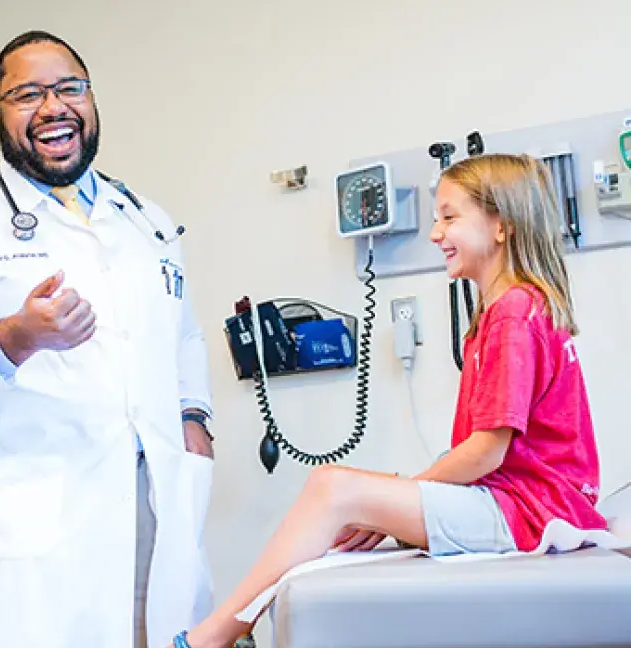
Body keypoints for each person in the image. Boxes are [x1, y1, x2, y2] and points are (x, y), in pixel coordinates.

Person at [167, 153, 608, 648]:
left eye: (449, 216)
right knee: (346, 494)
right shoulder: (517, 309)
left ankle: (213, 637)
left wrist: (396, 500)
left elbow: (488, 450)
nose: (435, 233)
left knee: (332, 487)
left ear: (501, 225)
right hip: (532, 503)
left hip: (529, 511)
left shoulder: (512, 313)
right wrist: (393, 504)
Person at [0, 30, 215, 648]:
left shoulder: (145, 219)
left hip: (150, 509)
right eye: (27, 94)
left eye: (69, 88)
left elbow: (180, 334)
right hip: (28, 527)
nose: (53, 107)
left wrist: (194, 418)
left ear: (91, 99)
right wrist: (9, 340)